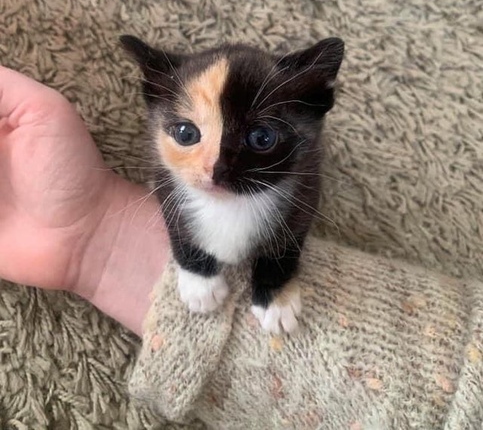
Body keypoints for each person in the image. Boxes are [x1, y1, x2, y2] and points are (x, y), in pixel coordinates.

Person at [1, 65, 482, 430]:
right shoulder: (171, 184)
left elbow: (292, 230)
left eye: (260, 137)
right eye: (187, 134)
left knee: (283, 235)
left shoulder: (299, 185)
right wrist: (182, 261)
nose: (214, 167)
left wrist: (276, 279)